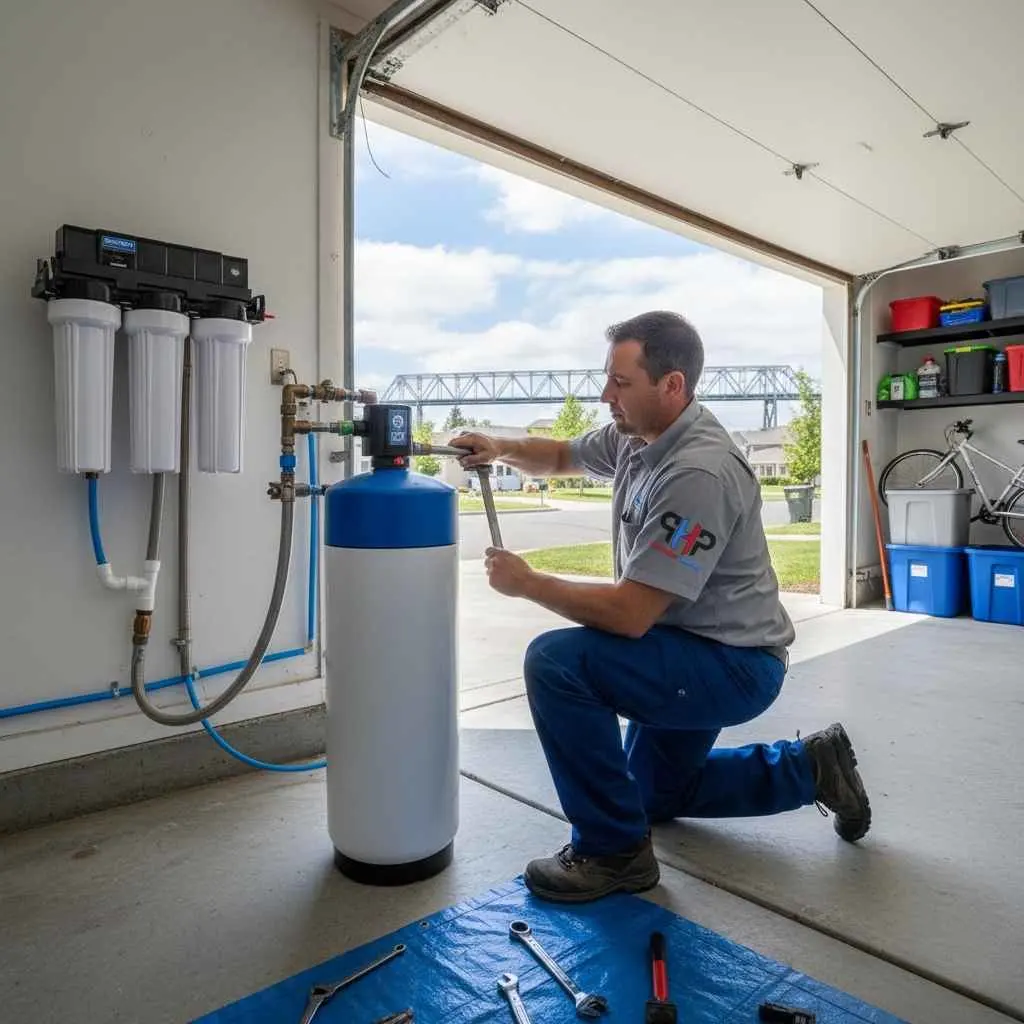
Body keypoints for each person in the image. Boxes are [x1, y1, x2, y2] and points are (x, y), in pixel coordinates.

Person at [452, 310, 871, 905]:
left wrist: (529, 583)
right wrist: (498, 448)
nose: (606, 397)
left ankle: (612, 853)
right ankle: (809, 768)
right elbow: (560, 456)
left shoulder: (697, 472)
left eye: (620, 383)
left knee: (556, 661)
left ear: (671, 385)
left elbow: (629, 615)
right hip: (683, 646)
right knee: (652, 796)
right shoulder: (637, 436)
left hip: (729, 664)